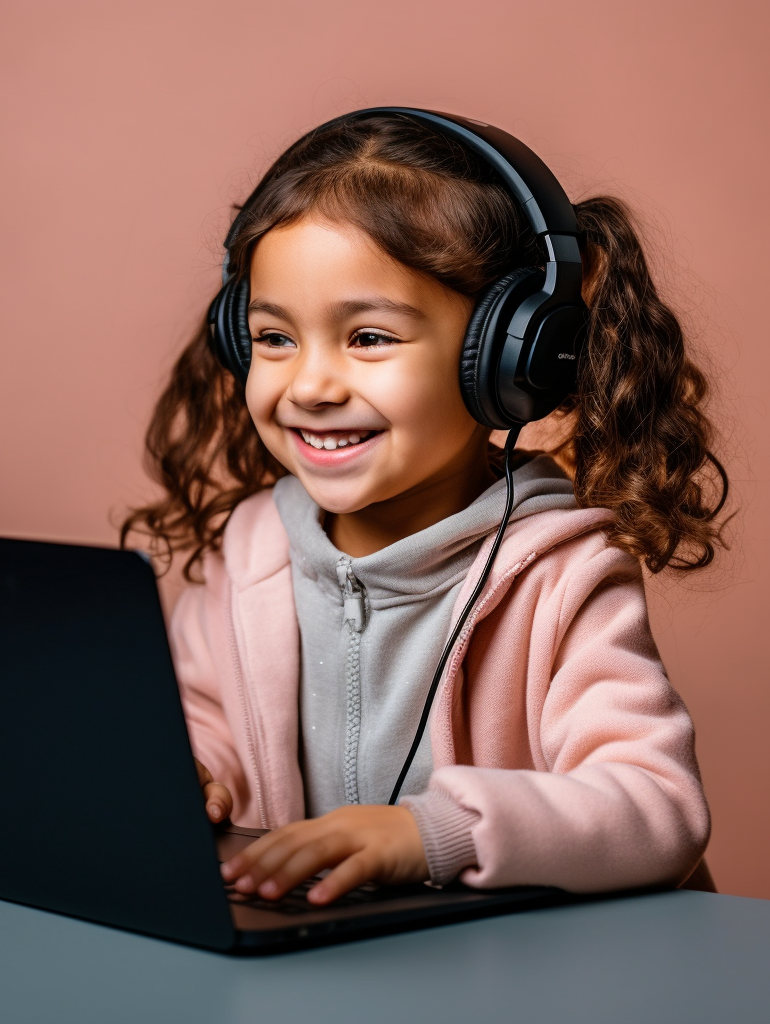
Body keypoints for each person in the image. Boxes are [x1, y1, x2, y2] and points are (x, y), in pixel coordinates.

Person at [122, 110, 727, 908]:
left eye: (368, 337)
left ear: (508, 360)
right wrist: (192, 775)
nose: (309, 386)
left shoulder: (561, 577)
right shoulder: (252, 553)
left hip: (525, 973)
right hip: (326, 966)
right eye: (274, 339)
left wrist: (431, 834)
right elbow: (208, 723)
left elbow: (657, 806)